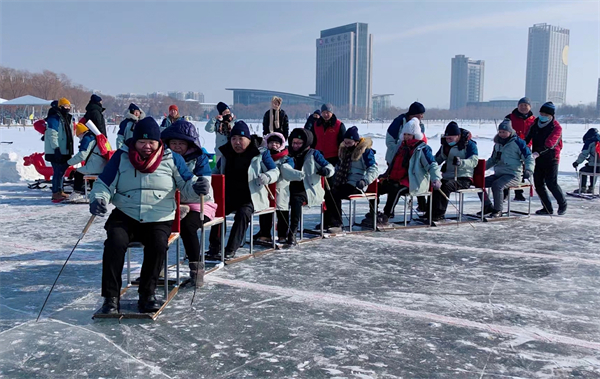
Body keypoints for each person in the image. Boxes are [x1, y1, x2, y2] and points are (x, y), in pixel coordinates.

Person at [89, 117, 209, 314]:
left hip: (159, 216)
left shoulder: (172, 158)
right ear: (134, 142)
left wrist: (197, 187)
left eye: (151, 142)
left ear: (158, 142)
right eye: (142, 142)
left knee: (158, 244)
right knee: (114, 242)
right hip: (125, 213)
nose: (147, 146)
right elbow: (103, 184)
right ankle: (110, 298)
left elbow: (187, 185)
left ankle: (147, 295)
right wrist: (99, 199)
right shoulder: (121, 157)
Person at [206, 121, 279, 260]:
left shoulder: (261, 153)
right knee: (216, 210)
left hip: (251, 196)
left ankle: (231, 248)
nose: (237, 143)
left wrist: (266, 177)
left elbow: (275, 171)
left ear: (248, 139)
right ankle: (214, 247)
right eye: (234, 139)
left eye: (241, 139)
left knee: (243, 214)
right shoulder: (227, 153)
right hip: (230, 195)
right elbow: (214, 172)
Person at [161, 119, 217, 287]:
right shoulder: (164, 158)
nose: (177, 147)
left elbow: (205, 185)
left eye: (181, 143)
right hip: (172, 204)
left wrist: (200, 186)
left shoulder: (199, 159)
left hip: (199, 204)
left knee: (187, 227)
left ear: (189, 144)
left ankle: (196, 269)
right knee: (158, 226)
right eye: (173, 143)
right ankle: (157, 268)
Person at [369, 118, 441, 225]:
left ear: (415, 135)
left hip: (413, 181)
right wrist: (385, 175)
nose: (406, 137)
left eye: (409, 134)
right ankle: (373, 212)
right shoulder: (401, 147)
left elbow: (432, 165)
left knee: (395, 189)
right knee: (376, 187)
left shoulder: (422, 149)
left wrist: (436, 178)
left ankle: (386, 215)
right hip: (397, 179)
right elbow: (394, 164)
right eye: (405, 134)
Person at [283, 128, 335, 244]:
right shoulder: (289, 154)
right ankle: (280, 231)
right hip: (289, 187)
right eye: (294, 143)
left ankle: (293, 231)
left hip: (307, 189)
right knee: (281, 199)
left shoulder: (314, 154)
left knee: (295, 201)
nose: (296, 145)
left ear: (305, 143)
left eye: (299, 143)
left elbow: (330, 167)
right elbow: (287, 167)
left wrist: (326, 171)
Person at [478, 119, 535, 217]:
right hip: (499, 174)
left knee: (497, 185)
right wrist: (480, 169)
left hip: (513, 175)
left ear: (510, 131)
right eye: (500, 132)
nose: (502, 134)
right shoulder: (497, 144)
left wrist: (529, 170)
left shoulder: (518, 143)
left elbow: (528, 157)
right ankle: (487, 206)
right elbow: (493, 160)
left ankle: (497, 210)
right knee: (479, 183)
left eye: (504, 132)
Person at [325, 126, 378, 231]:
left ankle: (337, 222)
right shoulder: (344, 151)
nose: (347, 145)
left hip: (357, 184)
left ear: (356, 142)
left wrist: (364, 180)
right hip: (344, 181)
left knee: (335, 194)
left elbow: (374, 169)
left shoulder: (365, 152)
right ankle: (329, 220)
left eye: (349, 143)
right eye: (345, 142)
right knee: (329, 192)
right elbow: (339, 167)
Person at [428, 122, 479, 221]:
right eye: (447, 138)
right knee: (435, 183)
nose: (448, 140)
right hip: (448, 175)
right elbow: (438, 159)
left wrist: (461, 162)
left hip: (463, 178)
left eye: (450, 138)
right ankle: (429, 212)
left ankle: (439, 213)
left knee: (445, 186)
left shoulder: (469, 144)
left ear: (458, 136)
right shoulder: (445, 146)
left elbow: (474, 161)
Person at [525, 102, 567, 215]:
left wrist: (537, 152)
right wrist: (522, 148)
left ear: (551, 115)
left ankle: (562, 204)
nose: (542, 115)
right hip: (537, 157)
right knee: (538, 184)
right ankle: (547, 208)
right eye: (541, 113)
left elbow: (551, 143)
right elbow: (527, 138)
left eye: (545, 114)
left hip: (551, 158)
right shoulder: (535, 124)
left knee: (551, 183)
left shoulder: (556, 127)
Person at [253, 132, 295, 244]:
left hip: (281, 188)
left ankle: (282, 235)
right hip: (266, 187)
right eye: (271, 143)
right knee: (265, 211)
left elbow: (290, 169)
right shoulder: (263, 156)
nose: (274, 145)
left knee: (282, 212)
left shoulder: (286, 157)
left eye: (277, 143)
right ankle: (265, 233)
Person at [505, 97, 535, 201]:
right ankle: (505, 191)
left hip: (525, 147)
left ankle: (519, 192)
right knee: (508, 168)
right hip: (511, 147)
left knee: (521, 170)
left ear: (529, 107)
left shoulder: (534, 120)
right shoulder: (510, 117)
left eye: (525, 105)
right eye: (521, 105)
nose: (523, 107)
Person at [66, 122, 109, 196]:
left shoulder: (87, 139)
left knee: (78, 173)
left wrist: (68, 163)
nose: (79, 138)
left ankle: (77, 193)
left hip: (96, 166)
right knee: (88, 172)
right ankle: (94, 193)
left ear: (80, 133)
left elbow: (82, 155)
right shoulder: (95, 137)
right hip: (102, 165)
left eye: (78, 135)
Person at [44, 97, 74, 202]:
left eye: (68, 106)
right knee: (57, 171)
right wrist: (56, 148)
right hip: (55, 150)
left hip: (65, 149)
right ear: (60, 107)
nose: (67, 108)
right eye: (65, 106)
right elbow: (52, 135)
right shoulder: (54, 119)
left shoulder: (68, 118)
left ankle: (60, 190)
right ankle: (55, 192)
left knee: (62, 171)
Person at [573, 128, 600, 193]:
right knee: (594, 172)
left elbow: (584, 154)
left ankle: (583, 188)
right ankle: (591, 188)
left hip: (594, 166)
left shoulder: (590, 142)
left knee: (583, 171)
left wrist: (577, 162)